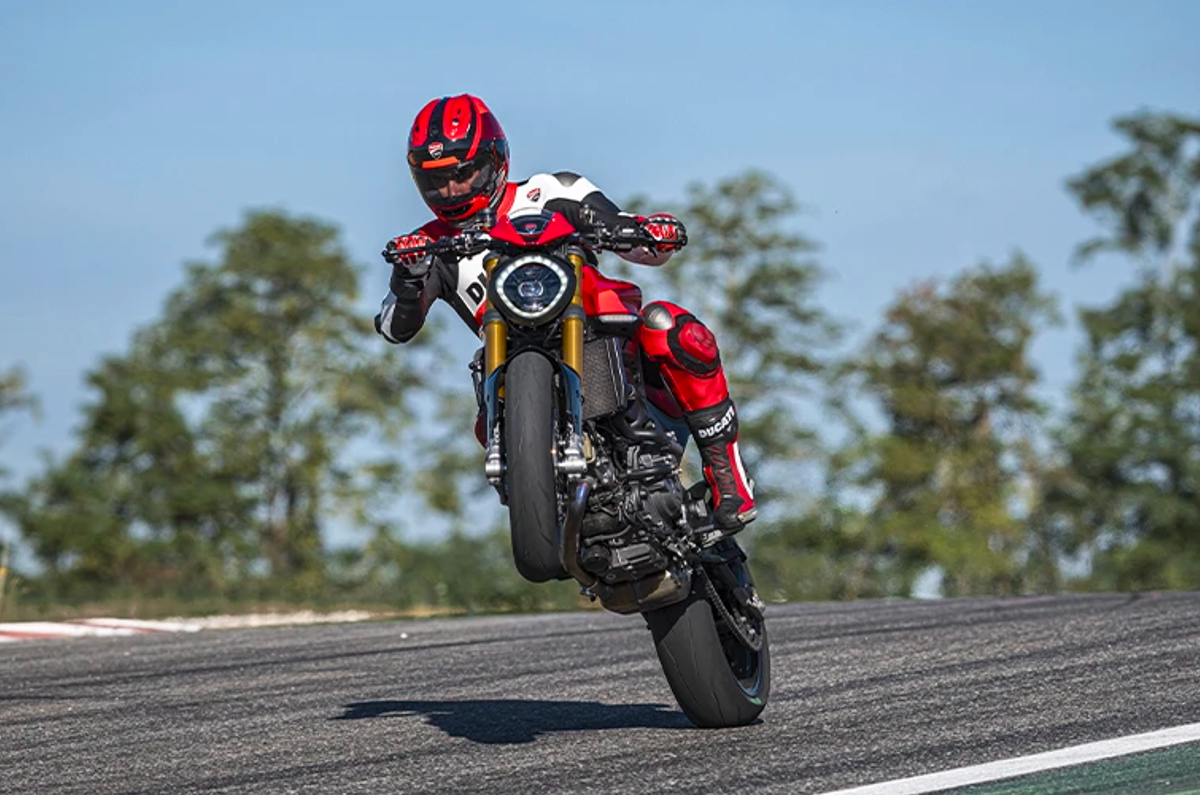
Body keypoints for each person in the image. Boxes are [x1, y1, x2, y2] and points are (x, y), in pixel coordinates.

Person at [374, 94, 756, 535]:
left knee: (672, 329)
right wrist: (406, 279)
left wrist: (648, 230)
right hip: (509, 363)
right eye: (436, 181)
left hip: (602, 331)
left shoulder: (553, 191)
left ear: (495, 159)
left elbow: (638, 244)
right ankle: (538, 492)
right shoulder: (428, 246)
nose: (451, 191)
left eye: (462, 173)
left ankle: (727, 474)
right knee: (483, 416)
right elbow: (392, 327)